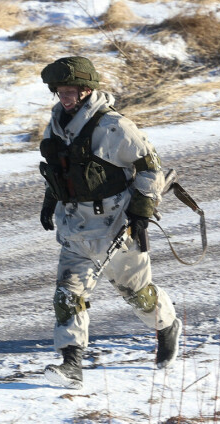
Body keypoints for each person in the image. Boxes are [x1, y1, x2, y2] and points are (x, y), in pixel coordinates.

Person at [38, 56, 182, 389]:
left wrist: (142, 210)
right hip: (76, 226)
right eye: (59, 90)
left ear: (87, 90)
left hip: (118, 225)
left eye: (71, 90)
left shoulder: (113, 126)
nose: (64, 97)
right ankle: (71, 364)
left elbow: (149, 168)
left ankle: (166, 325)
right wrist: (51, 200)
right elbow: (59, 168)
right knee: (67, 294)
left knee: (136, 293)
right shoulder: (57, 124)